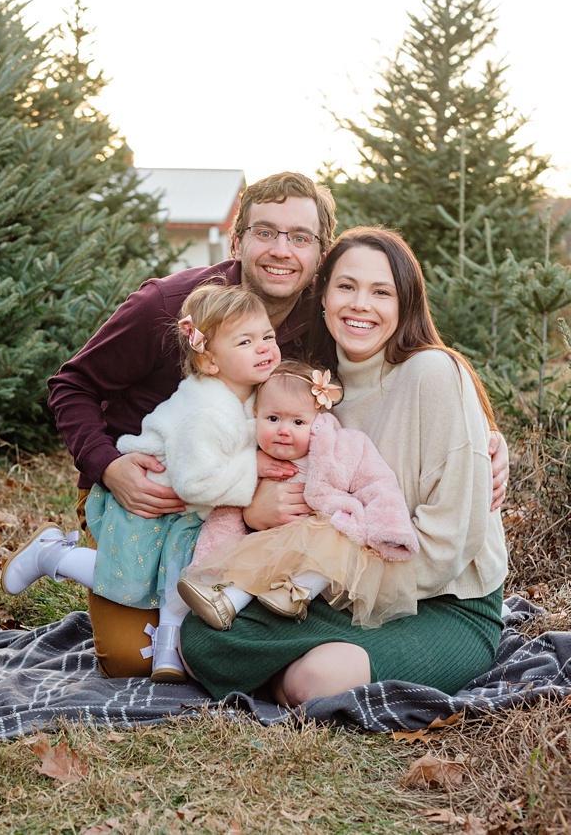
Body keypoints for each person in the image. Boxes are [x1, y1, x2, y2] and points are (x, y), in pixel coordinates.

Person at [44, 172, 509, 678]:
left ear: (318, 258)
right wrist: (109, 467)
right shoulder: (172, 305)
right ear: (237, 239)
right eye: (265, 232)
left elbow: (414, 375)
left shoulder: (326, 328)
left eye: (300, 238)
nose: (281, 250)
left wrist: (484, 439)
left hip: (255, 513)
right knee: (130, 660)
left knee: (196, 642)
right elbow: (71, 385)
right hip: (141, 499)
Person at [180, 227, 508, 704]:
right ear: (324, 296)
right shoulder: (310, 387)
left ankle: (292, 672)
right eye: (347, 287)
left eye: (381, 292)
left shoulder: (432, 373)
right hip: (330, 587)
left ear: (406, 304)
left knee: (312, 683)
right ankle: (293, 664)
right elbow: (236, 443)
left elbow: (450, 543)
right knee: (200, 639)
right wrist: (253, 504)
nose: (360, 304)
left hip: (443, 600)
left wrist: (349, 587)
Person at [3, 284, 283, 681]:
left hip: (185, 512)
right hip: (144, 503)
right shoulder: (204, 412)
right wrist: (254, 467)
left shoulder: (249, 394)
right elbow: (195, 483)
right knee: (130, 578)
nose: (264, 348)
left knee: (182, 571)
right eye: (246, 341)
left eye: (268, 336)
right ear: (209, 362)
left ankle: (167, 648)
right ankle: (52, 555)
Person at [177, 359, 418, 631]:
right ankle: (227, 602)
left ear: (318, 423)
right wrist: (210, 563)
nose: (283, 430)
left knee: (336, 535)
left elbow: (378, 484)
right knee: (253, 557)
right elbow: (226, 510)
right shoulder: (249, 459)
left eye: (298, 421)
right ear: (255, 413)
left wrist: (391, 530)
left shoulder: (343, 447)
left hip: (325, 545)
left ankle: (297, 591)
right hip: (267, 542)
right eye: (273, 418)